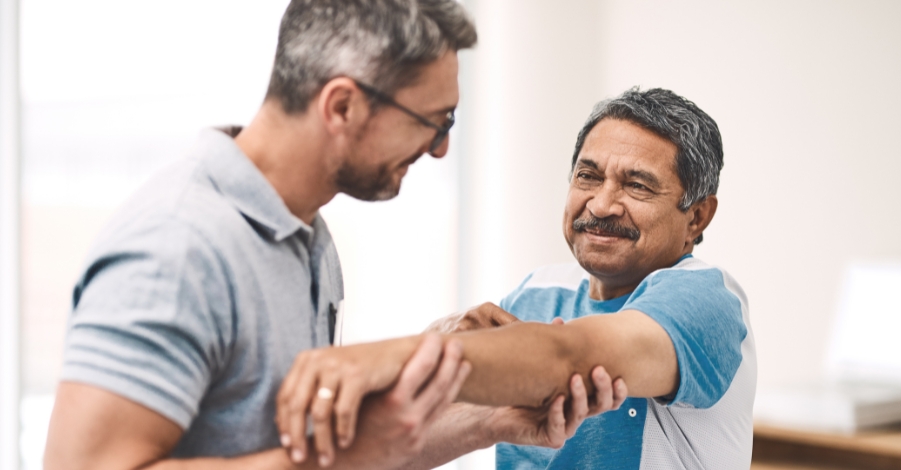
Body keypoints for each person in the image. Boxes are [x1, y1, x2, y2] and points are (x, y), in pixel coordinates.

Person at [44, 1, 625, 469]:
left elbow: (301, 447)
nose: (441, 148)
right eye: (433, 122)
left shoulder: (303, 232)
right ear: (342, 105)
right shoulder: (176, 246)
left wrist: (484, 420)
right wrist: (344, 456)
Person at [278, 87, 756, 469]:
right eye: (588, 176)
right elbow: (406, 446)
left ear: (697, 217)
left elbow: (569, 355)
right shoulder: (539, 291)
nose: (602, 204)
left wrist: (391, 358)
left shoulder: (706, 299)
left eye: (636, 185)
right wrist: (471, 410)